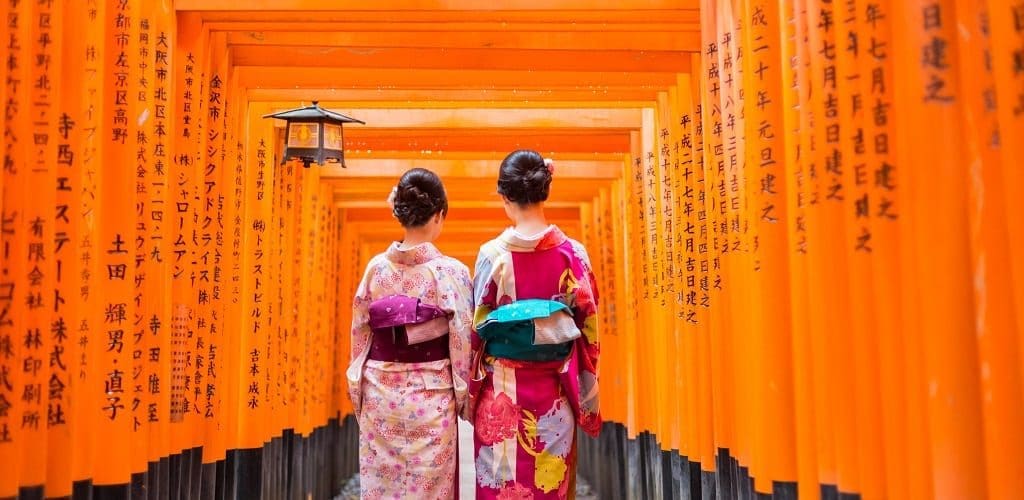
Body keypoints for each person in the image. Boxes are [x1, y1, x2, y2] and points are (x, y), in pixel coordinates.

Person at [469, 150, 601, 499]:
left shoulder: (491, 256)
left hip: (500, 396)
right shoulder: (573, 255)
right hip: (553, 398)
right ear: (546, 189)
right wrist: (584, 395)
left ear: (504, 195)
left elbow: (476, 330)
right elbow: (590, 334)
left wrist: (469, 392)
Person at [347, 168, 473, 499]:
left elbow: (360, 333)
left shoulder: (375, 269)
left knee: (382, 486)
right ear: (440, 214)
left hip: (380, 394)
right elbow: (461, 341)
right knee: (429, 486)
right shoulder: (452, 273)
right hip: (431, 396)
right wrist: (464, 398)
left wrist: (358, 389)